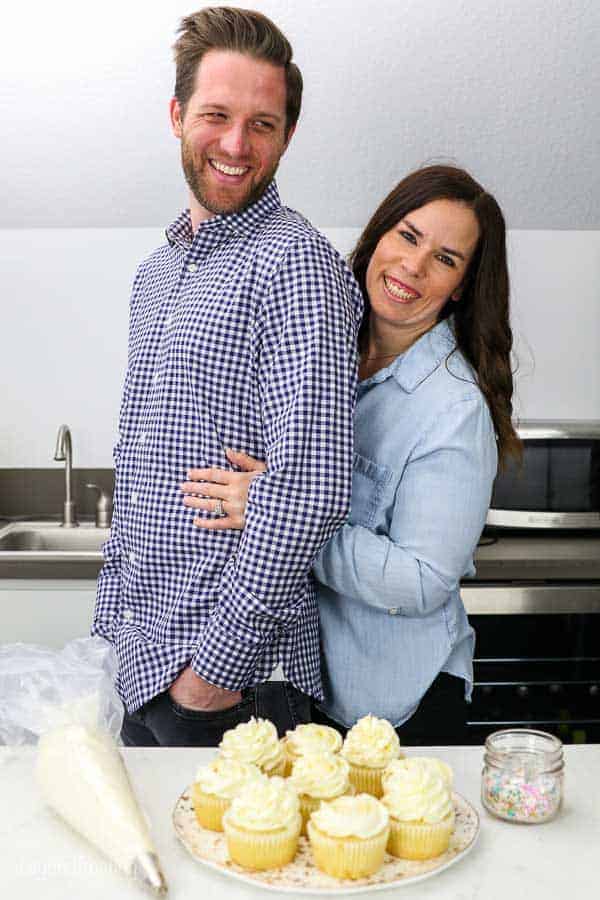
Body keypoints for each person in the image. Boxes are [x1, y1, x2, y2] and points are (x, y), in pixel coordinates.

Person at [91, 7, 363, 746]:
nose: (237, 145)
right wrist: (105, 637)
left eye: (263, 124)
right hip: (137, 665)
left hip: (227, 687)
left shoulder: (296, 266)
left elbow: (311, 490)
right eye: (216, 115)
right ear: (177, 115)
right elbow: (138, 462)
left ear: (288, 134)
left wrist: (213, 675)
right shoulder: (156, 276)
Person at [180, 164, 522, 743]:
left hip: (395, 706)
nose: (413, 266)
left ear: (461, 285)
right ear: (379, 234)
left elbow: (422, 582)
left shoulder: (453, 409)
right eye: (408, 236)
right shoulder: (318, 341)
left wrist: (280, 513)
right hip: (302, 688)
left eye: (445, 258)